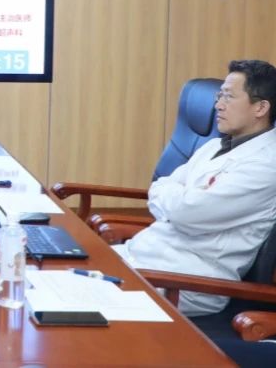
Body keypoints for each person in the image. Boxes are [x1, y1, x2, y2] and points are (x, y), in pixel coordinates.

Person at [114, 59, 276, 316]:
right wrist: (178, 200)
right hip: (145, 257)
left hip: (187, 281)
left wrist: (176, 201)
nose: (218, 105)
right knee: (56, 272)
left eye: (229, 97)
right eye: (219, 96)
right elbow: (159, 187)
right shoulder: (215, 146)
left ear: (260, 108)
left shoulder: (266, 165)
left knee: (71, 297)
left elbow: (186, 212)